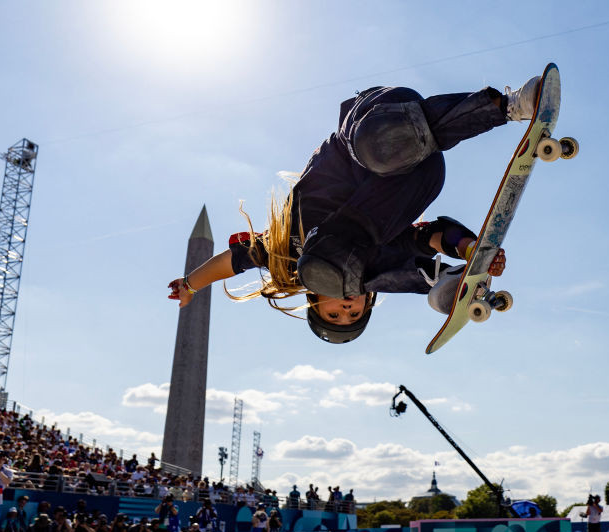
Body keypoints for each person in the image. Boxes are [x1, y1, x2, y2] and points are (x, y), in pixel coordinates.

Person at [168, 73, 543, 343]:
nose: (346, 306)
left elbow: (231, 263)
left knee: (378, 148)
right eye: (354, 312)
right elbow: (431, 235)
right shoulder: (377, 266)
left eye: (335, 312)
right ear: (368, 304)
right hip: (417, 173)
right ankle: (445, 279)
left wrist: (190, 284)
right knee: (373, 266)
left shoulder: (283, 255)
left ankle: (511, 106)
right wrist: (471, 249)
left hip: (369, 127)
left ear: (314, 299)